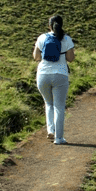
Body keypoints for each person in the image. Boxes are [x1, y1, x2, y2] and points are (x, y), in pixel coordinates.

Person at [32, 14, 75, 145]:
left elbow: (36, 57)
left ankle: (51, 130)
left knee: (48, 103)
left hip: (43, 74)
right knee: (59, 107)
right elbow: (71, 59)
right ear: (61, 25)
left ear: (49, 25)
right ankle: (59, 138)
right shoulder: (66, 39)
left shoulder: (42, 37)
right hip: (60, 75)